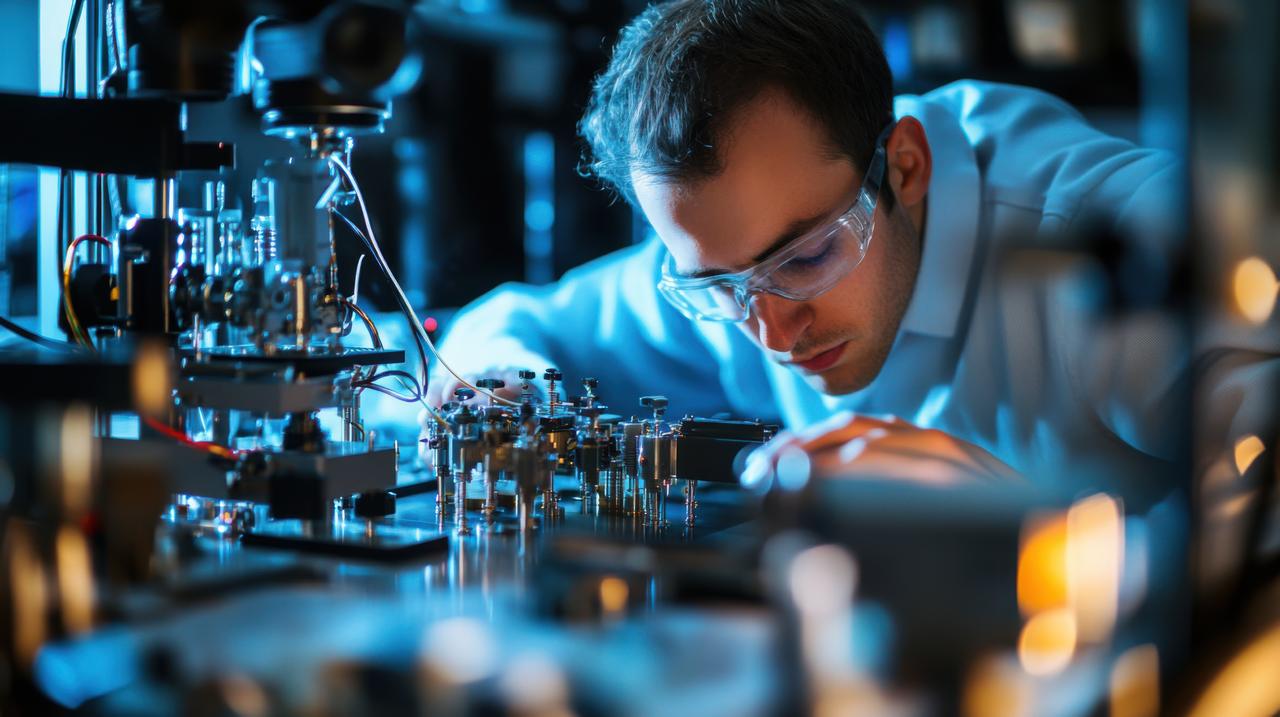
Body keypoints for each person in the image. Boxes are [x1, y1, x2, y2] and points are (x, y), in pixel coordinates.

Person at [420, 0, 1184, 492]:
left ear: (906, 166)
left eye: (806, 260)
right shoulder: (742, 259)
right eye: (719, 288)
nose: (773, 335)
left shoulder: (1115, 242)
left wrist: (1024, 529)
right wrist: (497, 390)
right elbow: (522, 323)